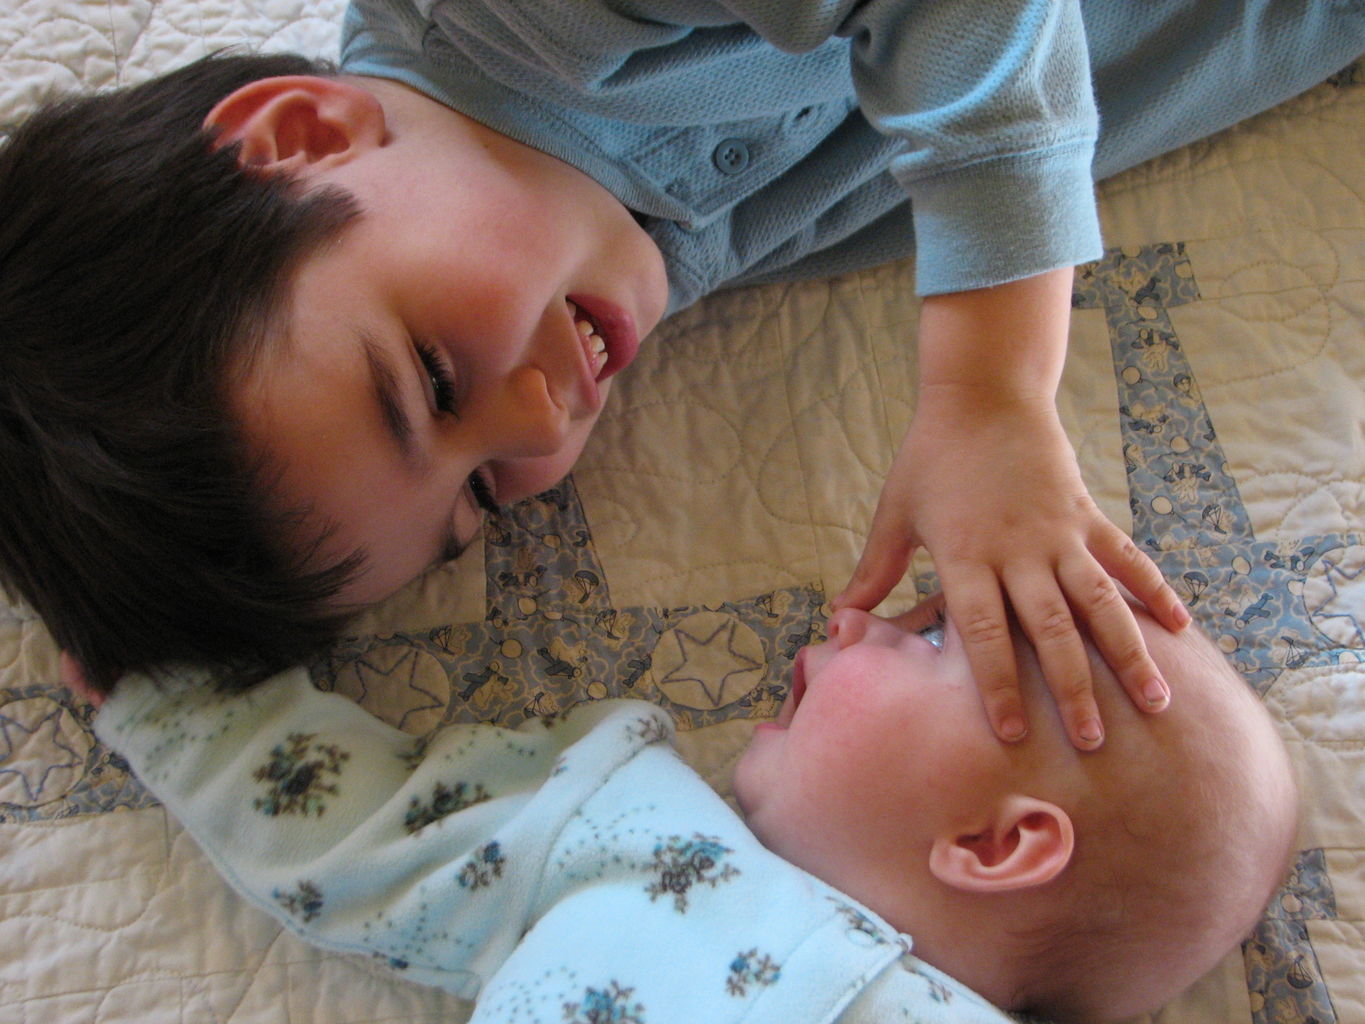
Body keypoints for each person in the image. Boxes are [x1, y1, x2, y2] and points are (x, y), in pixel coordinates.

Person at [4, 3, 1362, 746]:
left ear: (304, 134)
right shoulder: (607, 237)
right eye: (479, 498)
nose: (540, 423)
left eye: (427, 378)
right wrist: (151, 634)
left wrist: (991, 395)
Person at [90, 595, 1298, 1023]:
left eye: (931, 634)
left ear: (996, 841)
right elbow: (377, 836)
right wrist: (176, 698)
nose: (853, 617)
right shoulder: (629, 821)